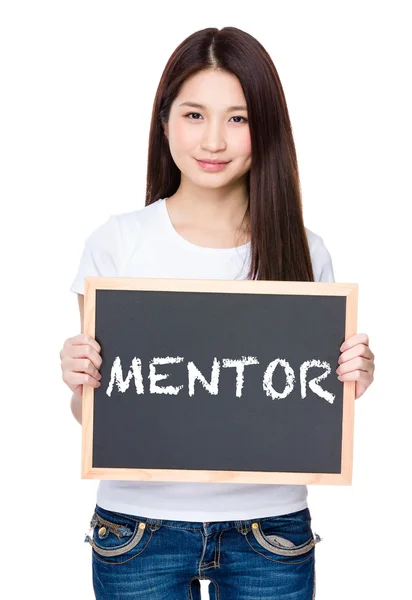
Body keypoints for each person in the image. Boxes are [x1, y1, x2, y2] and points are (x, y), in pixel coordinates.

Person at [60, 26, 375, 600]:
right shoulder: (117, 243)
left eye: (238, 118)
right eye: (194, 114)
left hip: (270, 529)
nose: (213, 140)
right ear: (164, 122)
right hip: (137, 527)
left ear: (266, 129)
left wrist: (353, 380)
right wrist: (79, 379)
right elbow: (96, 418)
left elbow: (312, 408)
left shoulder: (305, 250)